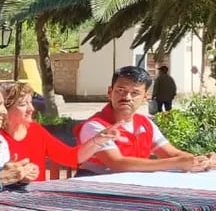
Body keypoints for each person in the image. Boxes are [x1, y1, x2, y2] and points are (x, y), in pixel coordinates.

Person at [76, 66, 211, 174]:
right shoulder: (95, 126)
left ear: (145, 96)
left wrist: (200, 161)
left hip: (134, 186)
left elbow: (172, 154)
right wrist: (177, 163)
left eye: (135, 93)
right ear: (110, 92)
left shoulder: (145, 124)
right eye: (120, 90)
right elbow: (118, 164)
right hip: (95, 189)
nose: (127, 97)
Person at [0, 81, 121, 181]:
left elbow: (70, 157)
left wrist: (98, 140)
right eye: (23, 104)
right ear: (3, 109)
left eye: (30, 102)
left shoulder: (35, 130)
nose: (31, 109)